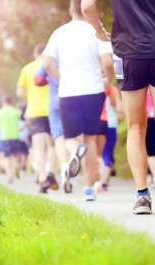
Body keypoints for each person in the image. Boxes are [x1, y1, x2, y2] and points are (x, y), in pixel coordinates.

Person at [82, 0, 155, 215]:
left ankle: (142, 195)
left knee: (136, 127)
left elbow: (87, 6)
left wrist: (99, 31)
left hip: (128, 51)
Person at [42, 0, 115, 201]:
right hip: (94, 91)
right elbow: (108, 63)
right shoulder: (96, 30)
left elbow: (47, 63)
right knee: (90, 139)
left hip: (68, 92)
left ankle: (75, 150)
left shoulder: (59, 33)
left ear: (69, 10)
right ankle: (89, 190)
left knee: (69, 138)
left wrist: (61, 78)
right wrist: (107, 83)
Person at [17, 44, 58, 193]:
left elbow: (20, 92)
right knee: (53, 145)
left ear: (35, 54)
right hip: (53, 109)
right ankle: (51, 173)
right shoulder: (52, 65)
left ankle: (41, 179)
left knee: (39, 147)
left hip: (34, 112)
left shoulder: (27, 69)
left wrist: (30, 93)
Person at [34, 61, 71, 192]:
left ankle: (64, 166)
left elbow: (37, 79)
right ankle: (72, 162)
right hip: (72, 100)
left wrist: (47, 80)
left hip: (50, 105)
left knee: (58, 140)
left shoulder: (50, 59)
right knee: (73, 137)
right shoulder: (71, 55)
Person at [0, 96, 23, 183]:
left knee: (6, 156)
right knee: (15, 155)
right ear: (11, 102)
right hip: (15, 135)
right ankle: (16, 166)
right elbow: (24, 120)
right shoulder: (16, 111)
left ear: (3, 103)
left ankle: (9, 174)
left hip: (4, 136)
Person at [101, 84, 123, 190]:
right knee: (107, 153)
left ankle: (100, 179)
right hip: (111, 124)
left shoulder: (93, 86)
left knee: (99, 154)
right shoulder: (113, 89)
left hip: (98, 123)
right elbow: (120, 113)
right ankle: (104, 181)